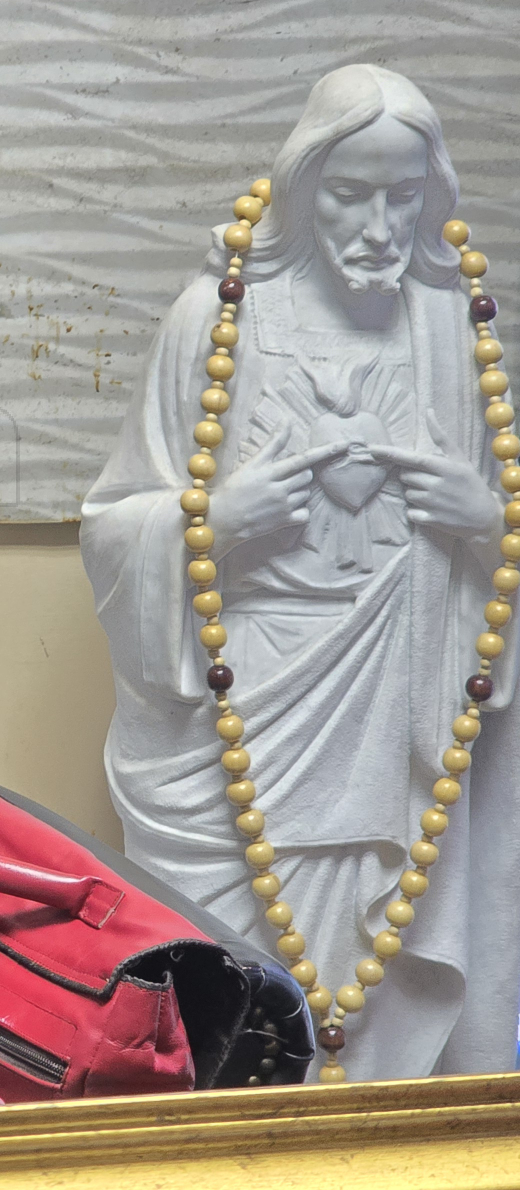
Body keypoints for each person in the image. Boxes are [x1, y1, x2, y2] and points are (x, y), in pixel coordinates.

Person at [83, 64, 520, 1079]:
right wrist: (212, 525)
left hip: (404, 719)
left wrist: (487, 525)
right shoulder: (217, 319)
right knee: (231, 1003)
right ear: (300, 187)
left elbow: (499, 563)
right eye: (349, 195)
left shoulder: (454, 330)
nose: (378, 227)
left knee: (388, 967)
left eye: (401, 197)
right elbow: (113, 525)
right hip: (249, 720)